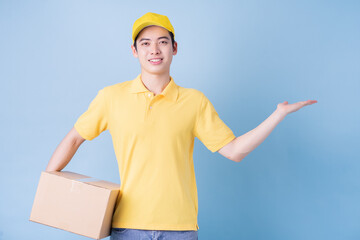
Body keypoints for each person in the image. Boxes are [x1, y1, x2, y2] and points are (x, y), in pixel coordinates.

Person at [45, 12, 317, 240]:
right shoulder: (111, 97)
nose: (154, 50)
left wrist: (277, 115)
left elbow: (234, 151)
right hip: (127, 226)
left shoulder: (193, 101)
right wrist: (50, 186)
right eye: (145, 43)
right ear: (134, 50)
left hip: (180, 229)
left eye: (163, 42)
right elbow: (73, 139)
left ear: (174, 48)